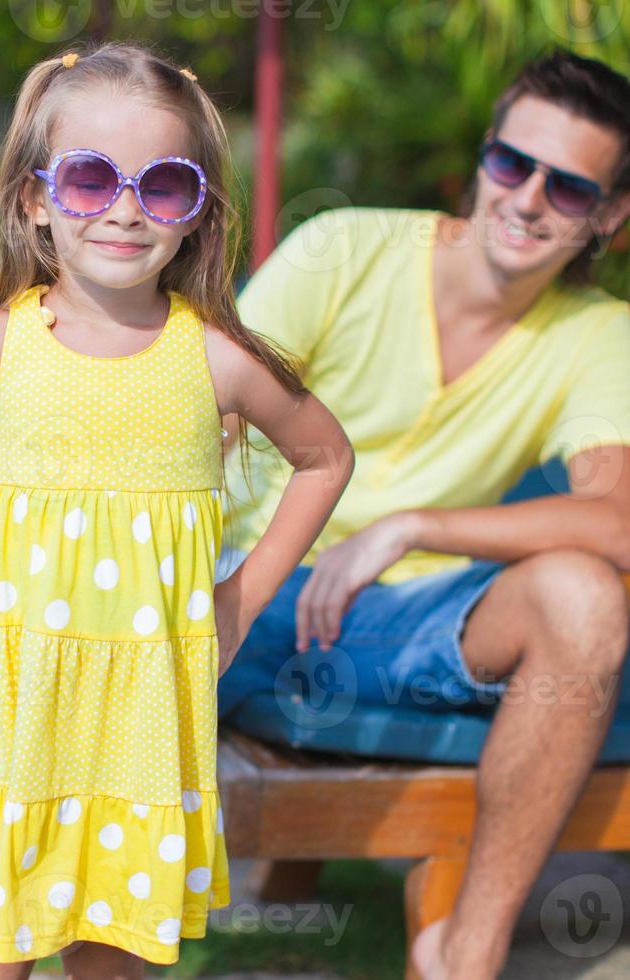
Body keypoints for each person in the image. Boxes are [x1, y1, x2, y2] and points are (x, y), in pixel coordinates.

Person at [0, 42, 353, 979]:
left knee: (112, 961)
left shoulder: (218, 361)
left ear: (196, 214)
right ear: (35, 196)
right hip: (18, 711)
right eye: (88, 177)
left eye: (162, 184)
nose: (122, 209)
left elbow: (324, 458)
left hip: (150, 726)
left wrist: (243, 596)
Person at [216, 48, 630, 980]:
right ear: (483, 160)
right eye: (512, 164)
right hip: (242, 584)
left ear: (608, 216)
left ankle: (463, 955)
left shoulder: (600, 333)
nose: (527, 199)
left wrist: (410, 526)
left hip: (404, 619)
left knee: (587, 599)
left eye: (568, 189)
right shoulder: (344, 249)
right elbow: (210, 413)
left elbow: (618, 522)